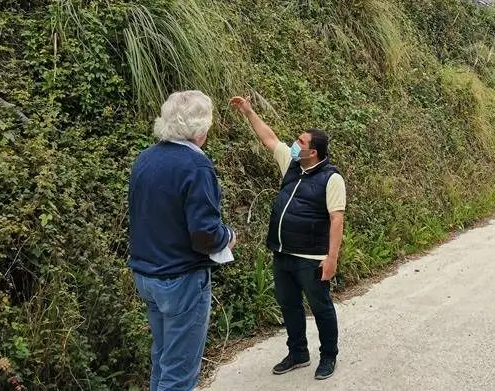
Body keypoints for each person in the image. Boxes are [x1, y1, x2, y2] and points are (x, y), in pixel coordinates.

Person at [229, 95, 346, 381]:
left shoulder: (332, 179)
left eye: (301, 142)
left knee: (320, 307)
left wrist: (331, 259)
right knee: (289, 304)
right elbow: (269, 139)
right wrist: (249, 111)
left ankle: (328, 355)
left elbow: (337, 219)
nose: (295, 145)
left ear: (314, 151)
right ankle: (298, 353)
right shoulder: (292, 166)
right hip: (282, 254)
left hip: (311, 258)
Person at [128, 90, 237, 391]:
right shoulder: (196, 165)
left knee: (163, 359)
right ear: (200, 129)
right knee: (179, 374)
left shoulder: (145, 159)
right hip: (180, 279)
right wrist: (227, 237)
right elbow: (204, 234)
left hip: (147, 274)